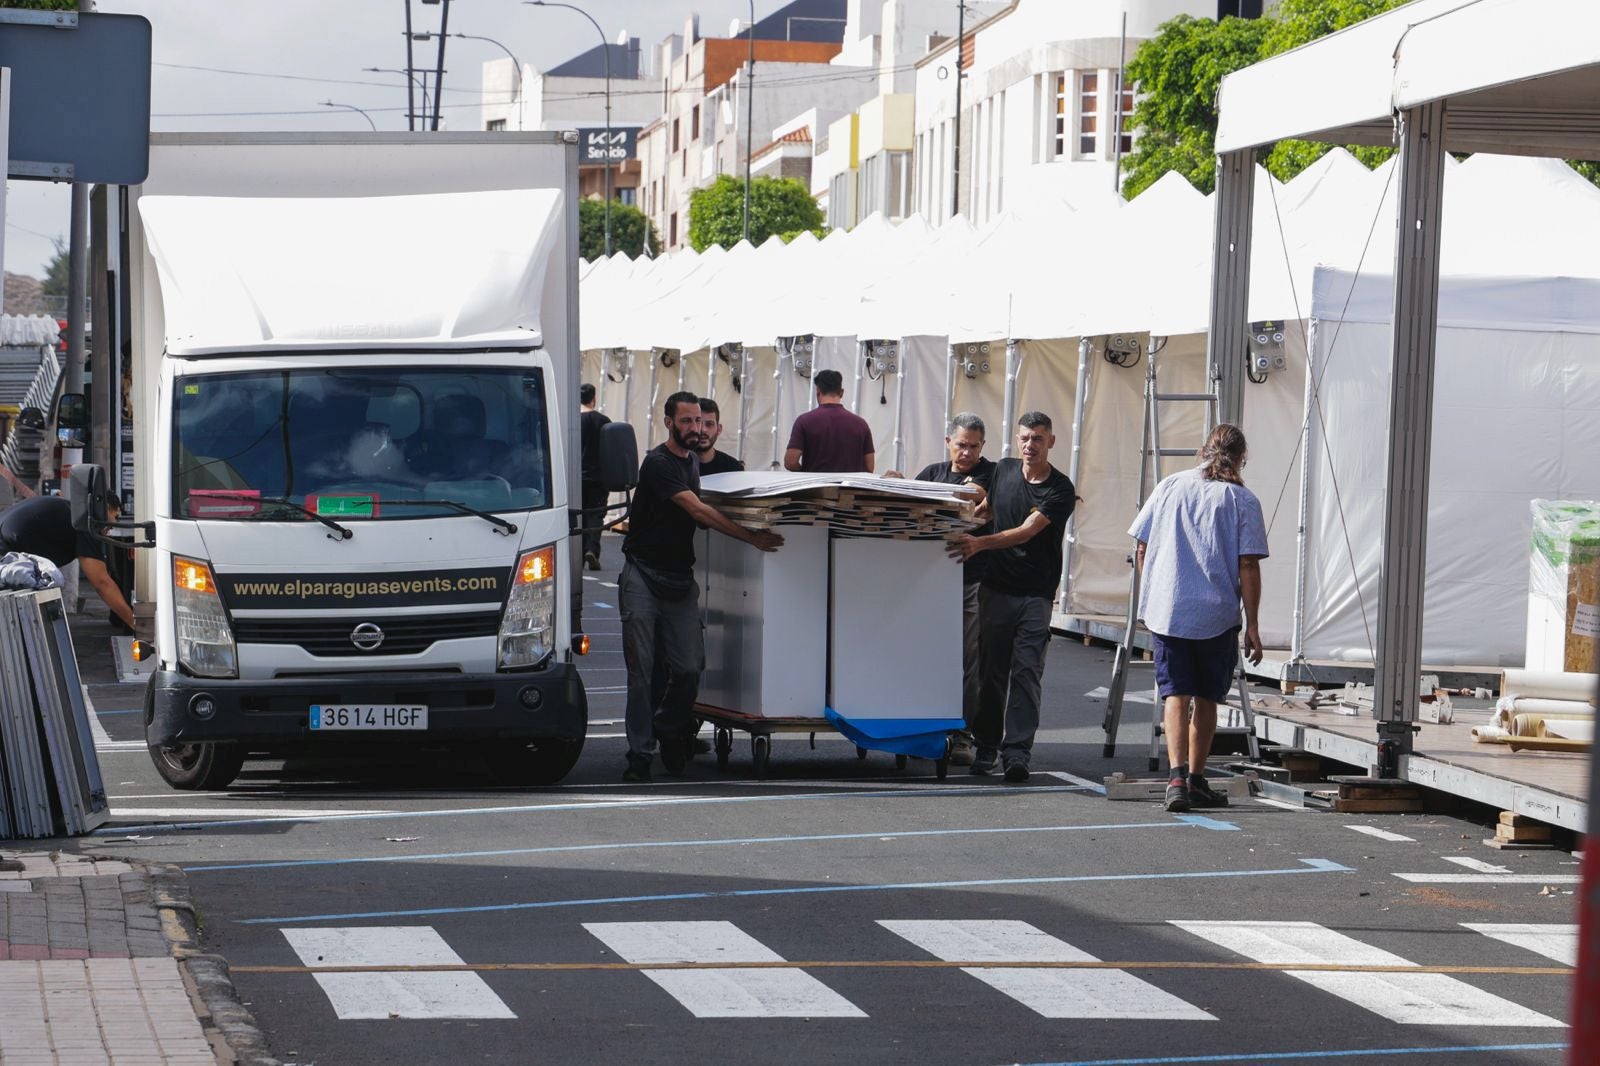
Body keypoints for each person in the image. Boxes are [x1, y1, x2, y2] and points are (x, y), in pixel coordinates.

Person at [620, 391, 783, 783]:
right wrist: (752, 537)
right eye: (687, 421)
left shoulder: (692, 462)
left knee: (691, 667)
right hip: (642, 574)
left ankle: (669, 726)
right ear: (669, 423)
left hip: (679, 579)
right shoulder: (658, 463)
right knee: (642, 672)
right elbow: (698, 511)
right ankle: (639, 755)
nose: (695, 428)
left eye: (700, 421)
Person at [1129, 423, 1267, 813]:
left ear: (1202, 450)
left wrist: (1155, 589)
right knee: (1207, 698)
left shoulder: (1171, 485)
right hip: (1216, 613)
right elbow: (1248, 565)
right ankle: (1196, 777)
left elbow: (1141, 545)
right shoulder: (1242, 500)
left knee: (1175, 694)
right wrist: (1252, 623)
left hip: (1170, 609)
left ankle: (1175, 779)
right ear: (1241, 459)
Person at [949, 411, 1075, 782]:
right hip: (995, 590)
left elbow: (1025, 531)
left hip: (1035, 596)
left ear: (1051, 442)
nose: (1030, 445)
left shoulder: (1060, 489)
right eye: (1024, 438)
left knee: (1026, 673)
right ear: (1015, 441)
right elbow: (986, 511)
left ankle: (1017, 753)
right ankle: (986, 746)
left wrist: (978, 544)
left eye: (1037, 438)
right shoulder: (1003, 471)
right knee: (991, 675)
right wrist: (956, 521)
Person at [889, 413, 995, 766]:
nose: (966, 452)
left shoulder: (988, 474)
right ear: (948, 441)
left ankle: (963, 735)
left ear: (982, 447)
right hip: (928, 583)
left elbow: (973, 494)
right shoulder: (932, 473)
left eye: (974, 446)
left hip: (969, 582)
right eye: (961, 444)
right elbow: (909, 504)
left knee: (967, 661)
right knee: (925, 656)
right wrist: (895, 485)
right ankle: (925, 730)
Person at [0, 493, 136, 631]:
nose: (114, 525)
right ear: (105, 508)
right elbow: (101, 582)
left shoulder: (71, 512)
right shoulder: (85, 523)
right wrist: (134, 623)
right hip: (6, 552)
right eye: (115, 516)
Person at [783, 369, 874, 474]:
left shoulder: (804, 421)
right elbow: (869, 467)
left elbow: (790, 462)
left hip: (816, 488)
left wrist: (806, 474)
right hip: (849, 489)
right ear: (841, 392)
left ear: (818, 391)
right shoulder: (861, 424)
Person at [578, 383, 611, 570]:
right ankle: (592, 549)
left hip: (575, 478)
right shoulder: (602, 421)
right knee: (596, 515)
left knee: (579, 515)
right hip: (598, 476)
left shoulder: (571, 421)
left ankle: (578, 553)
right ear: (593, 398)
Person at [696, 397, 744, 476]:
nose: (703, 430)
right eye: (698, 423)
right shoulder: (675, 466)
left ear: (719, 429)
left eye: (709, 424)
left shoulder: (733, 469)